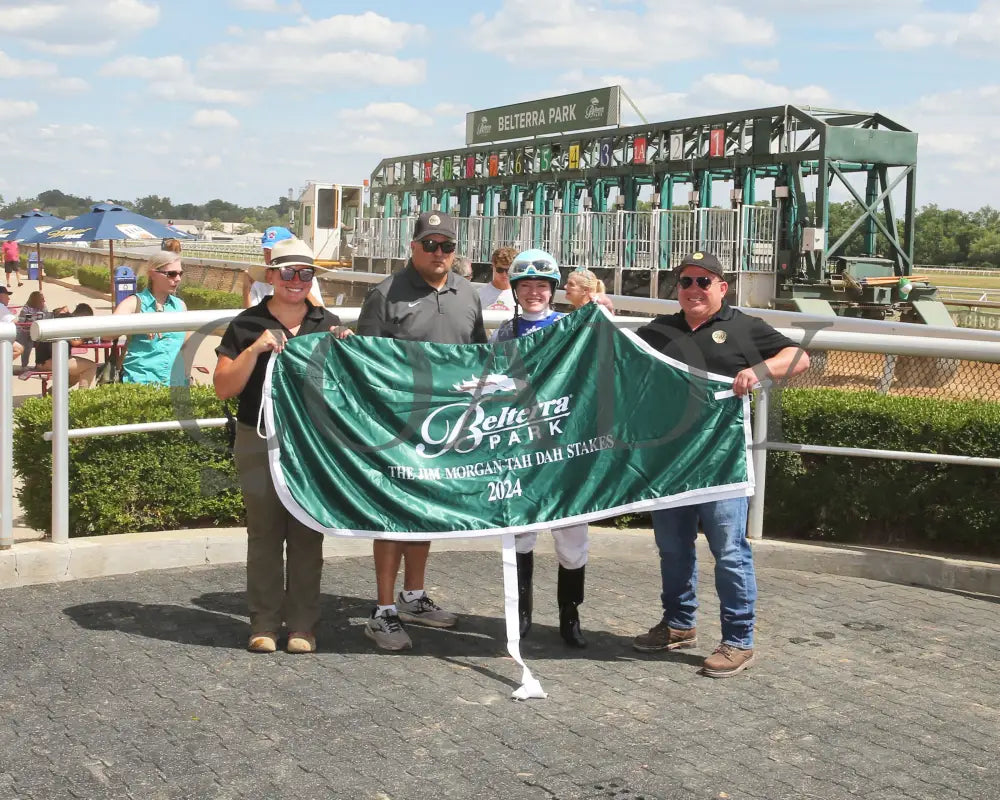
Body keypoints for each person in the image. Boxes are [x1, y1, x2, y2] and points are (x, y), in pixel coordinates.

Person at [632, 251, 810, 677]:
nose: (694, 289)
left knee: (730, 552)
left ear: (722, 287)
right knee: (673, 550)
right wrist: (592, 314)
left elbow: (799, 358)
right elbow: (618, 356)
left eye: (703, 282)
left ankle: (739, 641)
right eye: (686, 282)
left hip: (722, 466)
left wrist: (760, 370)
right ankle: (678, 625)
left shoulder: (743, 326)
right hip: (670, 466)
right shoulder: (659, 331)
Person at [356, 210, 487, 651]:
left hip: (445, 427)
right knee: (393, 514)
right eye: (429, 245)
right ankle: (382, 610)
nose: (438, 253)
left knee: (425, 511)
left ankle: (412, 596)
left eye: (446, 246)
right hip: (396, 427)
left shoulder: (468, 293)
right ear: (412, 247)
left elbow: (477, 358)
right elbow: (364, 363)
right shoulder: (384, 294)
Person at [215, 238, 351, 655]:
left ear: (313, 278)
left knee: (309, 535)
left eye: (305, 273)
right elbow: (223, 387)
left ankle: (304, 625)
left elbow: (346, 391)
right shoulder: (245, 324)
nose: (296, 281)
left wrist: (347, 353)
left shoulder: (328, 324)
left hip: (311, 441)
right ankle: (264, 622)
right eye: (288, 272)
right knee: (264, 533)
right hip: (257, 436)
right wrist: (254, 350)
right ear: (271, 276)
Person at [491, 249, 589, 648]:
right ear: (515, 289)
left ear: (553, 290)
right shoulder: (503, 333)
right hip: (521, 446)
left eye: (542, 286)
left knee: (572, 535)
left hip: (563, 446)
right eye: (526, 286)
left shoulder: (572, 327)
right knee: (521, 532)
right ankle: (522, 610)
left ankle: (570, 613)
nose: (534, 293)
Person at [113, 250, 188, 386]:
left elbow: (186, 345)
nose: (177, 279)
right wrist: (139, 323)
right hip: (139, 386)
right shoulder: (132, 304)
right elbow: (107, 335)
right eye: (171, 274)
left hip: (175, 385)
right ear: (152, 274)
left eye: (180, 273)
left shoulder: (180, 306)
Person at [242, 227, 324, 309]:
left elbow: (321, 313)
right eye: (267, 252)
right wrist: (247, 288)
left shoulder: (306, 275)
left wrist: (302, 287)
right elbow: (249, 318)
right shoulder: (257, 280)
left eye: (274, 252)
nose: (270, 257)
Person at [32, 305, 97, 389]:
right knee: (91, 366)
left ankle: (52, 394)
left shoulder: (63, 318)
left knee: (77, 371)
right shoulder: (69, 321)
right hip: (49, 362)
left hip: (42, 361)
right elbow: (75, 342)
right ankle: (81, 399)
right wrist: (87, 337)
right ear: (84, 316)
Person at [16, 290, 49, 367]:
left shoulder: (43, 307)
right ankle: (24, 365)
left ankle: (39, 364)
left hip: (39, 331)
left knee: (43, 343)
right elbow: (21, 322)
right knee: (27, 344)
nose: (44, 301)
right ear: (36, 300)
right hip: (26, 331)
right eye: (42, 299)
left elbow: (47, 318)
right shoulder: (26, 309)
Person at [478, 246, 517, 312]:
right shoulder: (479, 294)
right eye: (500, 270)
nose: (504, 274)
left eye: (508, 270)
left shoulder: (520, 295)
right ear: (493, 266)